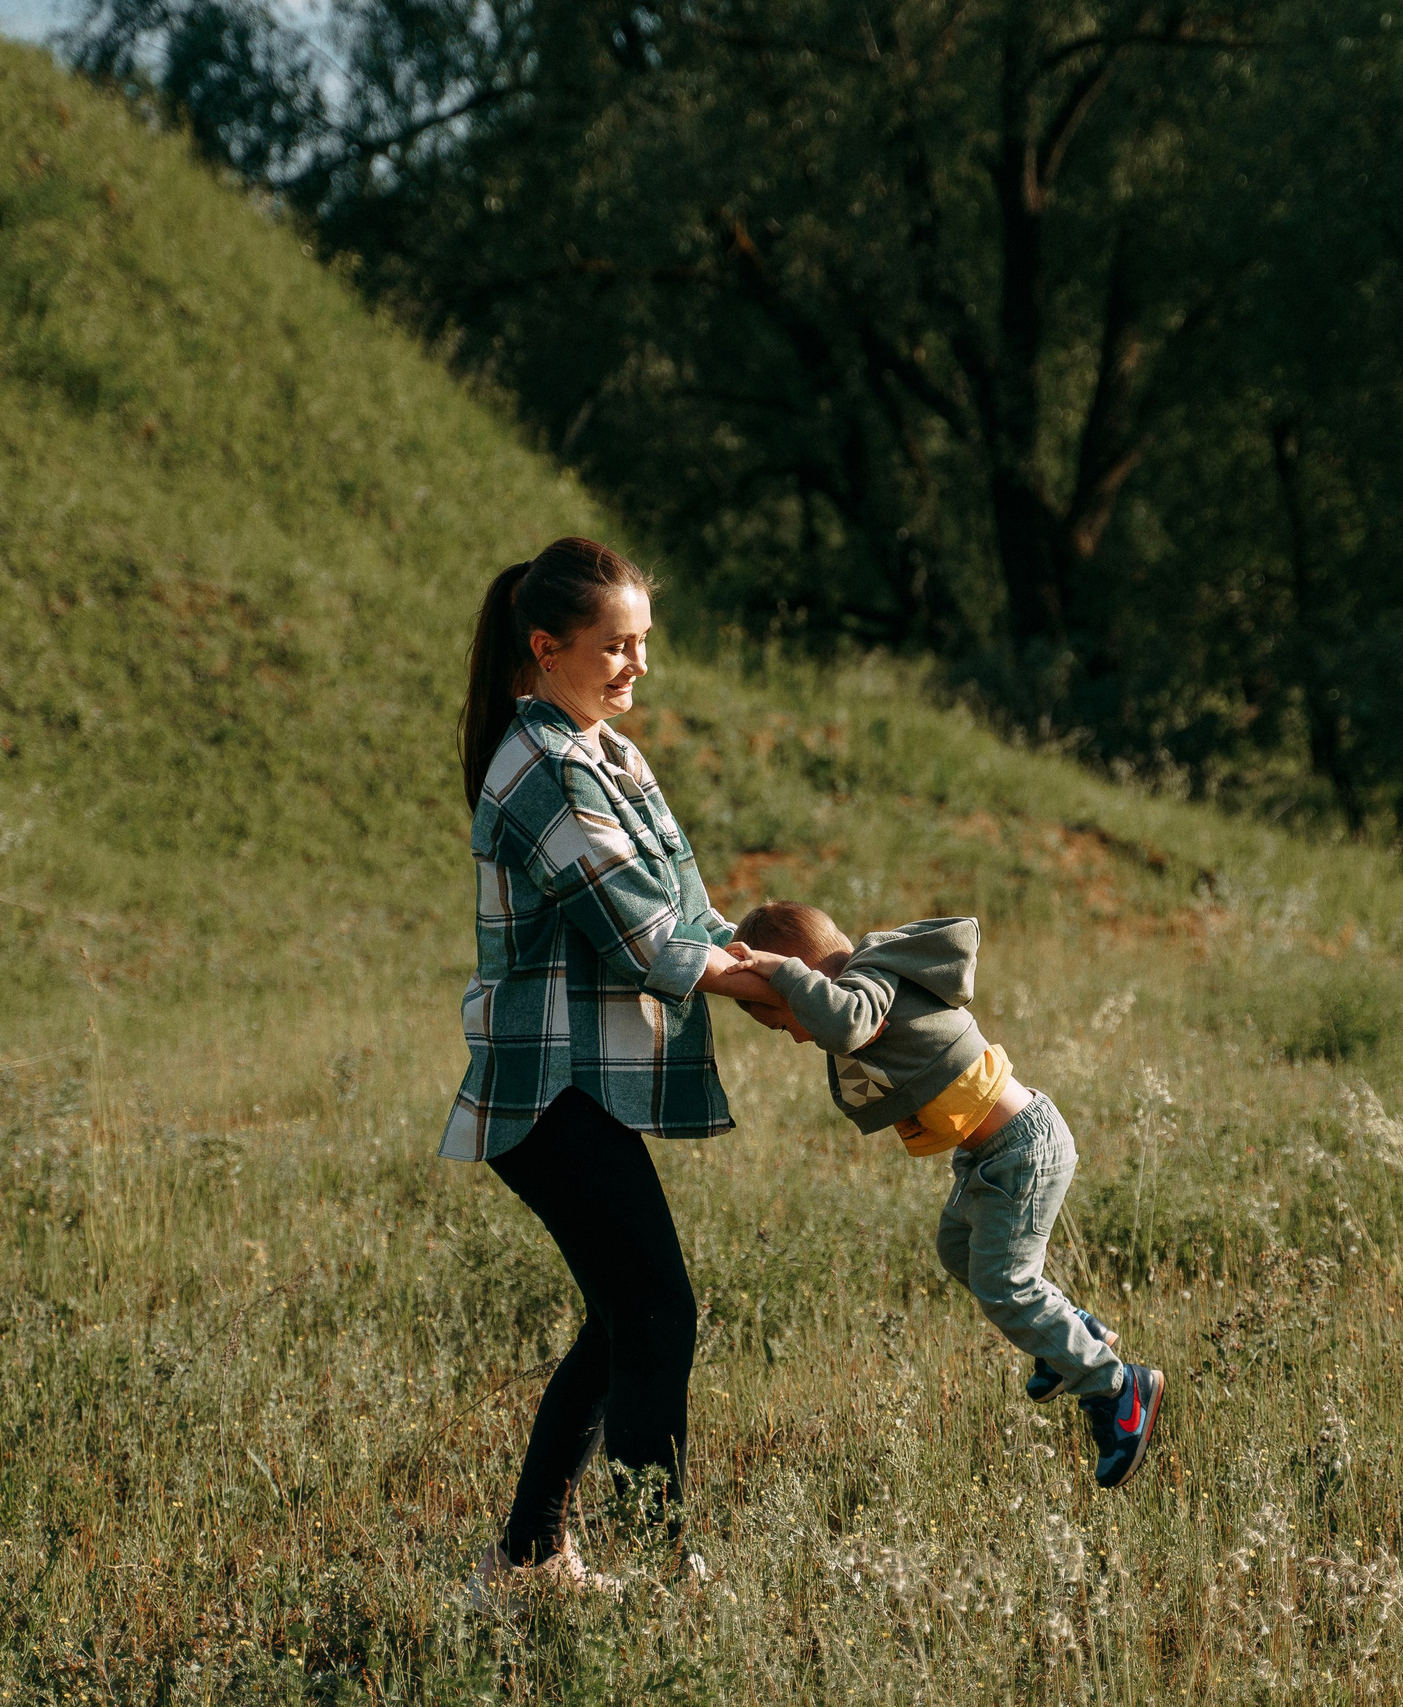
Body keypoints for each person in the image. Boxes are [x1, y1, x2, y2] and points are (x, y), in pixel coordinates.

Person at [446, 539, 775, 1598]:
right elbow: (643, 937)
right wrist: (775, 990)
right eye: (616, 646)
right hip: (546, 1090)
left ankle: (526, 1557)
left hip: (582, 1085)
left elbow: (688, 911)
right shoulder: (542, 767)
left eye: (642, 642)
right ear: (547, 648)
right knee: (658, 1313)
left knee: (625, 1316)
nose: (638, 665)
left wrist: (785, 975)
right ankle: (661, 1571)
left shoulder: (606, 752)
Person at [725, 902, 1166, 1489]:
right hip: (987, 1157)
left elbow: (841, 1023)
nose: (796, 1035)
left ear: (806, 974)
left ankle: (1117, 1388)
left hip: (1022, 1148)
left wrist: (784, 976)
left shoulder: (869, 981)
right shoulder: (858, 991)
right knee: (958, 1252)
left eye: (785, 1023)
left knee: (1005, 1285)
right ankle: (1066, 1332)